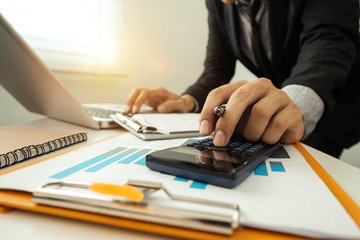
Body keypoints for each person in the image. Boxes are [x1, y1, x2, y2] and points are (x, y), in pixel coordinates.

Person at [125, 0, 360, 158]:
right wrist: (188, 100)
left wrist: (289, 105)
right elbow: (216, 69)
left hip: (332, 98)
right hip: (284, 96)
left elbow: (328, 42)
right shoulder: (218, 4)